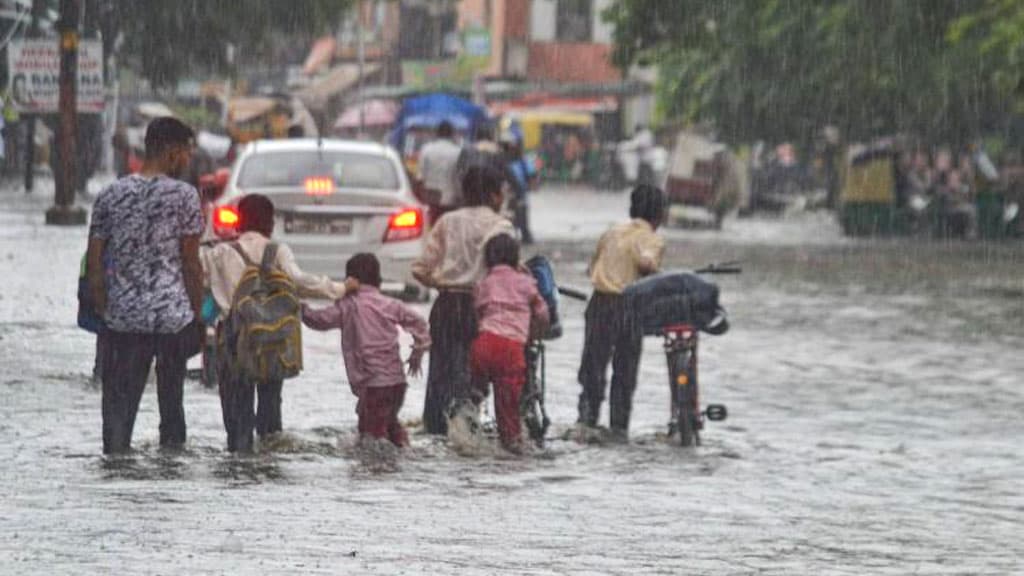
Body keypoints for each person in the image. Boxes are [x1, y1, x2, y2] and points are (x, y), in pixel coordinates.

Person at [86, 117, 205, 454]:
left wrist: (104, 308)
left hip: (123, 317)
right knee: (172, 407)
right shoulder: (185, 197)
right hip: (172, 318)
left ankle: (116, 463)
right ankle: (169, 476)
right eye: (185, 153)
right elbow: (191, 264)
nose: (188, 161)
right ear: (170, 152)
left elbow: (95, 261)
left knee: (118, 409)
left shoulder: (111, 194)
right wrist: (198, 315)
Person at [202, 194, 353, 452]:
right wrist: (340, 289)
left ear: (239, 220)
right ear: (270, 223)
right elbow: (299, 282)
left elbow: (197, 282)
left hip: (234, 337)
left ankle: (239, 458)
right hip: (272, 337)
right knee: (271, 407)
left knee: (236, 410)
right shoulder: (277, 251)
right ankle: (269, 463)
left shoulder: (220, 253)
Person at [412, 164, 515, 435]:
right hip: (482, 310)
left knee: (440, 375)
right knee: (472, 376)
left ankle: (435, 428)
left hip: (445, 305)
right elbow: (508, 273)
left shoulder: (448, 221)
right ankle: (465, 432)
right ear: (494, 195)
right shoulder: (501, 226)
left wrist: (444, 284)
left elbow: (420, 269)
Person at [301, 254, 430, 447]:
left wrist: (300, 309)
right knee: (389, 423)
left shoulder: (349, 306)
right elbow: (420, 324)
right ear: (378, 279)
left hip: (373, 385)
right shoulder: (390, 304)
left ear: (350, 281)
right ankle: (404, 452)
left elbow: (319, 320)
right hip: (396, 383)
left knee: (371, 434)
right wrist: (417, 353)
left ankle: (375, 472)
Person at [577, 184, 667, 441]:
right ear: (659, 215)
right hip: (629, 306)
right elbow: (647, 263)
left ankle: (587, 419)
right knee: (625, 372)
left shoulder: (611, 232)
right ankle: (619, 428)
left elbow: (592, 267)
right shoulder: (653, 238)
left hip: (599, 304)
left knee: (593, 367)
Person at [470, 234, 549, 453]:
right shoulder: (526, 283)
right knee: (508, 411)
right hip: (511, 349)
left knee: (474, 393)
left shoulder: (484, 283)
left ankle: (471, 410)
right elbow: (542, 314)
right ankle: (511, 452)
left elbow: (477, 312)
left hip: (483, 344)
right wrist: (534, 333)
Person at [417, 120, 463, 224]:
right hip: (451, 201)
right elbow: (459, 177)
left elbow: (420, 178)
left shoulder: (426, 149)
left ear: (437, 133)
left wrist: (420, 199)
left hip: (431, 201)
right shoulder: (458, 151)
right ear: (452, 134)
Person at [503, 135, 538, 244]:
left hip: (520, 195)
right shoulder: (503, 161)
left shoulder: (523, 162)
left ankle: (524, 237)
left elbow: (532, 176)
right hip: (507, 195)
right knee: (508, 219)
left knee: (522, 220)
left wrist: (531, 186)